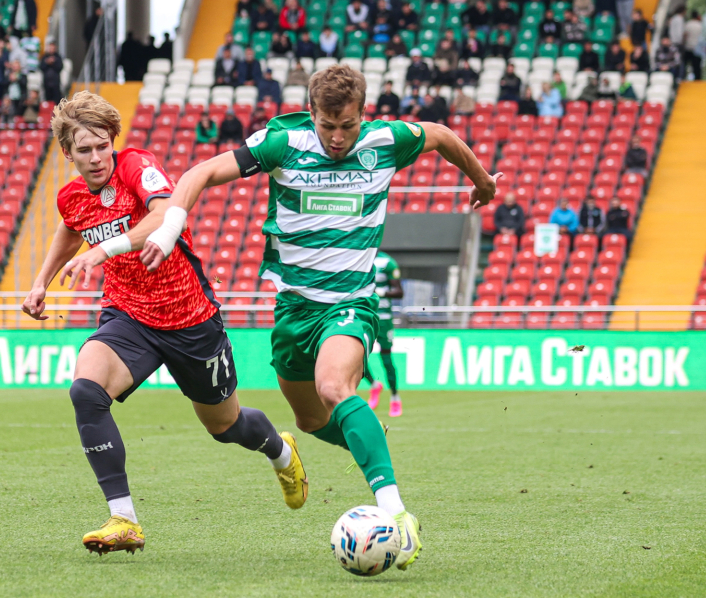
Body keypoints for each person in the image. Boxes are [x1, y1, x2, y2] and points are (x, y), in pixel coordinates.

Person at [142, 64, 503, 570]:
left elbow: (441, 135)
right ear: (311, 113)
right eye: (327, 125)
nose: (337, 137)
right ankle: (365, 435)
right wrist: (167, 229)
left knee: (334, 387)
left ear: (363, 115)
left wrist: (483, 181)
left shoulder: (385, 142)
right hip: (294, 308)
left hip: (351, 302)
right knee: (310, 420)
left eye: (348, 125)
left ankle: (397, 513)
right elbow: (198, 174)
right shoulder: (282, 143)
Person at [20, 92, 308, 555]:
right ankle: (124, 519)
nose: (96, 158)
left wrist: (103, 250)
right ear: (67, 153)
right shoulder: (72, 195)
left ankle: (280, 450)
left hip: (189, 318)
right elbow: (71, 227)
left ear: (113, 143)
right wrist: (41, 282)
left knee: (226, 427)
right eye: (84, 150)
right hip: (128, 315)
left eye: (102, 146)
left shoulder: (137, 166)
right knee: (86, 391)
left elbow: (162, 214)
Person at [364, 251, 404, 417]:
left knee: (386, 359)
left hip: (384, 319)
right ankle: (374, 385)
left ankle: (395, 398)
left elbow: (399, 292)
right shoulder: (355, 256)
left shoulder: (387, 262)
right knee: (357, 358)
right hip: (364, 317)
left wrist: (380, 293)